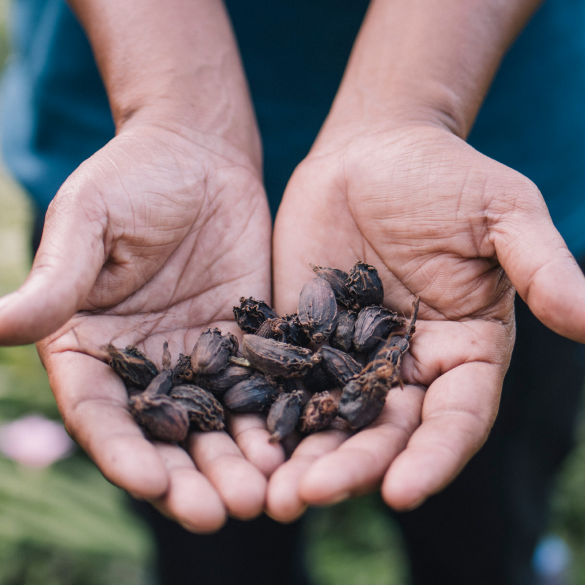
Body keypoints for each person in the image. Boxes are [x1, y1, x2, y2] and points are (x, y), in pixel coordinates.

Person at [1, 0, 585, 583]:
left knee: (485, 526)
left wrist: (417, 104)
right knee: (216, 558)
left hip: (452, 208)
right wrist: (171, 104)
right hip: (142, 179)